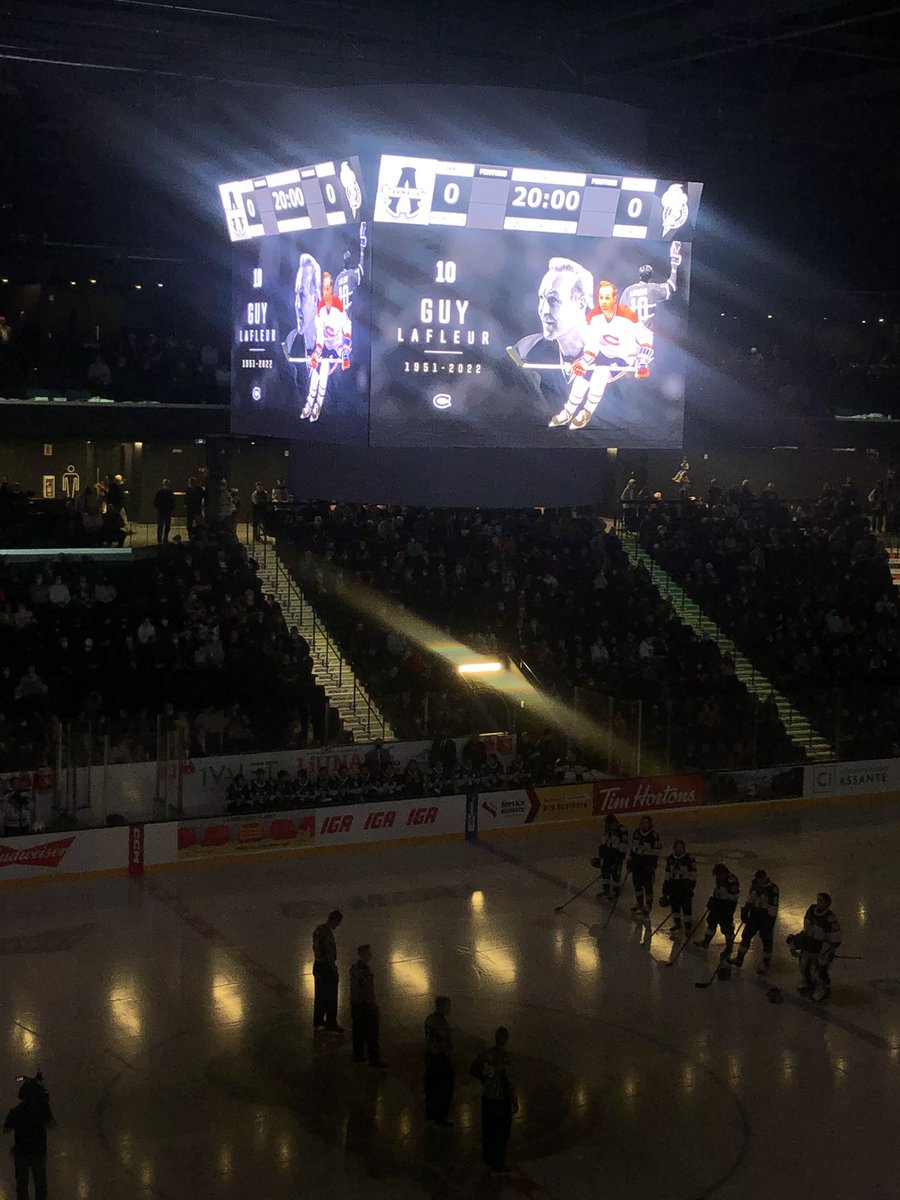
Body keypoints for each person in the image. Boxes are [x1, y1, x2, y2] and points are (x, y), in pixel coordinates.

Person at [549, 280, 653, 430]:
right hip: (602, 354)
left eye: (607, 298)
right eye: (601, 297)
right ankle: (568, 411)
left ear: (614, 299)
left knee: (601, 374)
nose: (603, 302)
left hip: (623, 357)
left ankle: (586, 411)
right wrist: (584, 362)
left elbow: (646, 336)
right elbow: (592, 344)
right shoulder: (594, 316)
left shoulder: (627, 316)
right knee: (582, 376)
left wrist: (642, 360)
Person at [506, 257, 593, 410]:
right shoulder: (527, 349)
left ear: (580, 303)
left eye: (553, 300)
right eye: (542, 299)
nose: (544, 311)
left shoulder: (611, 355)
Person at [301, 271, 352, 423]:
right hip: (324, 346)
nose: (326, 291)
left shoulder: (338, 306)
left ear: (331, 288)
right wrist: (316, 353)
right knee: (315, 375)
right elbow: (320, 335)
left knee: (323, 373)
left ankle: (318, 405)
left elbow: (347, 329)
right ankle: (309, 403)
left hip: (336, 347)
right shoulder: (320, 308)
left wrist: (345, 352)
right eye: (324, 288)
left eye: (328, 288)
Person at [471, 1026, 517, 1175]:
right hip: (499, 1101)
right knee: (501, 1133)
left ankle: (487, 1157)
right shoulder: (504, 1059)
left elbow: (474, 1069)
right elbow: (508, 1083)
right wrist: (513, 1101)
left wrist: (485, 1080)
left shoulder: (486, 1054)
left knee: (488, 1130)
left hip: (487, 1098)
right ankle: (498, 1163)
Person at [3, 1073, 54, 1200]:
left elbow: (6, 1130)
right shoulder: (41, 1110)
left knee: (22, 1184)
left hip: (21, 1152)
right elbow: (52, 1125)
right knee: (40, 1183)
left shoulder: (15, 1112)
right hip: (38, 1151)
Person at [790, 892, 841, 1002]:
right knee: (804, 964)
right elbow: (807, 929)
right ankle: (807, 981)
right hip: (809, 942)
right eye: (818, 899)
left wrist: (827, 950)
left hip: (822, 946)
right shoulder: (811, 911)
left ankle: (822, 987)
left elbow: (835, 938)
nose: (818, 902)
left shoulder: (830, 919)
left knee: (819, 969)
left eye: (821, 900)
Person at [620, 240, 682, 324]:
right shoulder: (652, 289)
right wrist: (674, 264)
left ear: (639, 274)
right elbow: (672, 286)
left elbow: (621, 314)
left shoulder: (628, 290)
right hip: (647, 334)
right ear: (651, 276)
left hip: (630, 333)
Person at [731, 869, 779, 974]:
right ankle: (739, 958)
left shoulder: (773, 889)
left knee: (766, 940)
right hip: (755, 914)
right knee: (746, 935)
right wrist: (746, 910)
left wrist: (770, 921)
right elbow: (750, 898)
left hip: (766, 916)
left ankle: (765, 963)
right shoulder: (755, 886)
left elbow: (773, 906)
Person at [350, 945, 386, 1068]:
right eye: (368, 954)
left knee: (358, 1032)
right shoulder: (366, 973)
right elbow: (368, 992)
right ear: (363, 955)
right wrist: (374, 1006)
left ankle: (358, 1055)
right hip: (365, 1006)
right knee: (372, 1034)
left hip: (355, 1004)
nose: (370, 956)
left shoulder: (354, 968)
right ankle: (374, 1060)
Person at [312, 910, 344, 1033]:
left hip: (317, 965)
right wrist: (334, 970)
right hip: (326, 967)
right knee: (331, 996)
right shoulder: (327, 934)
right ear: (334, 920)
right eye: (338, 923)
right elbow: (329, 954)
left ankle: (318, 1021)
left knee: (320, 995)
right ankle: (331, 1023)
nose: (337, 926)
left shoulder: (318, 930)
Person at [424, 995, 454, 1125]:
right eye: (448, 1006)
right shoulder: (441, 1023)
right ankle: (441, 1115)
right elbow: (444, 1042)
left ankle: (431, 1113)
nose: (450, 1009)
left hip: (430, 1056)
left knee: (431, 1086)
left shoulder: (429, 1019)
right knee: (445, 1086)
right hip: (439, 1057)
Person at [661, 838, 697, 935]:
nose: (679, 849)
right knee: (675, 907)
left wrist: (690, 887)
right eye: (677, 847)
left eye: (681, 847)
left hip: (685, 886)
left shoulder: (689, 860)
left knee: (686, 909)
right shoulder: (670, 859)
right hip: (673, 885)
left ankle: (688, 927)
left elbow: (693, 874)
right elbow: (667, 873)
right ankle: (677, 923)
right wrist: (665, 888)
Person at [701, 864, 740, 953]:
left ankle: (729, 947)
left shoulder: (730, 880)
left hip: (726, 906)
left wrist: (724, 903)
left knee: (727, 927)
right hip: (717, 904)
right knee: (712, 922)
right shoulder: (720, 878)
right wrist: (714, 900)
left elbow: (734, 895)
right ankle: (706, 941)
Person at [628, 814, 661, 917]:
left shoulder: (654, 836)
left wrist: (652, 864)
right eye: (643, 822)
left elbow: (656, 852)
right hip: (637, 863)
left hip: (647, 865)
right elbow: (633, 848)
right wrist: (631, 860)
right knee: (637, 885)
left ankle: (648, 906)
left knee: (648, 887)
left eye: (647, 823)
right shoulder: (637, 833)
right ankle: (640, 904)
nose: (645, 825)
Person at [592, 814, 629, 901]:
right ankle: (606, 890)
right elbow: (603, 842)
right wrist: (601, 855)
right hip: (608, 853)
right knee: (605, 871)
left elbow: (623, 844)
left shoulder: (621, 830)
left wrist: (620, 857)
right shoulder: (607, 830)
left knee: (616, 873)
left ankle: (616, 891)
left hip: (617, 854)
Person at [153, 478, 175, 544]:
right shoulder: (169, 492)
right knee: (164, 526)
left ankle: (161, 538)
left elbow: (156, 502)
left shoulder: (160, 492)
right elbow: (172, 502)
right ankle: (163, 538)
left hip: (163, 511)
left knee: (163, 526)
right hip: (165, 511)